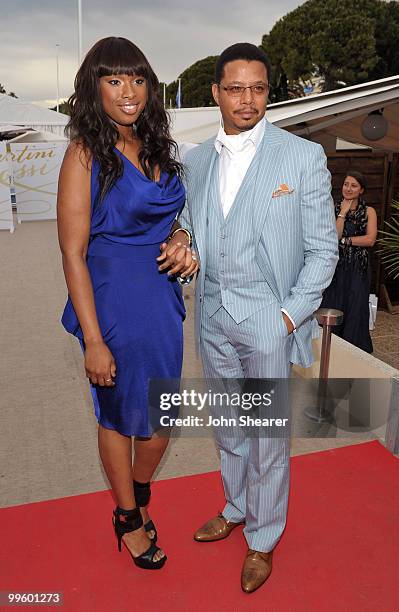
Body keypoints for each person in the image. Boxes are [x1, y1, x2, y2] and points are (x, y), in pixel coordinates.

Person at [160, 43, 338, 593]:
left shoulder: (301, 157)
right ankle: (236, 506)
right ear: (215, 92)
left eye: (258, 89)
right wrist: (183, 236)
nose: (247, 100)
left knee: (266, 435)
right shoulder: (195, 160)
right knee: (228, 427)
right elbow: (188, 219)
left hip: (268, 317)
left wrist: (286, 318)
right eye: (234, 89)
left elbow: (323, 251)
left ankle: (263, 537)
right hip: (210, 312)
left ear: (268, 92)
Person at [57, 37, 198, 571]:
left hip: (162, 299)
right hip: (113, 298)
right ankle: (127, 517)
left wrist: (183, 234)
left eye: (137, 79)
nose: (128, 91)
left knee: (160, 420)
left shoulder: (158, 146)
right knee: (118, 413)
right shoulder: (84, 153)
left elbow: (177, 215)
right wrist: (93, 340)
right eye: (114, 80)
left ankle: (139, 493)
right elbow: (72, 252)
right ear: (94, 88)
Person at [321, 171, 377, 352]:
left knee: (355, 305)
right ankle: (332, 346)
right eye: (346, 184)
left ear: (361, 190)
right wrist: (343, 213)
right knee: (334, 302)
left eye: (354, 185)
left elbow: (370, 240)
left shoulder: (369, 211)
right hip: (336, 266)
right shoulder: (334, 208)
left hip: (358, 267)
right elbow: (334, 237)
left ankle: (354, 349)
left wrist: (347, 241)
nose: (348, 188)